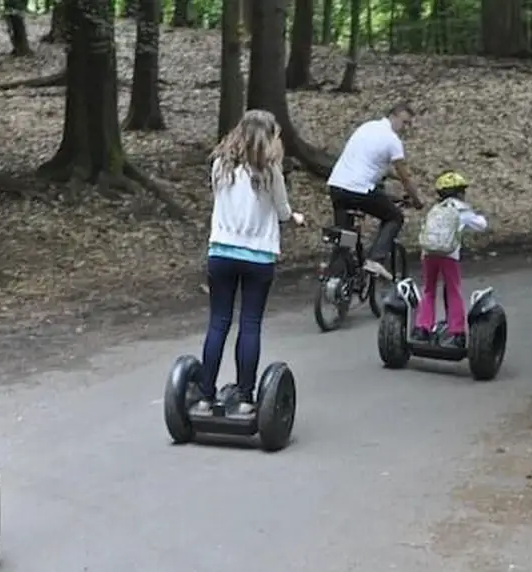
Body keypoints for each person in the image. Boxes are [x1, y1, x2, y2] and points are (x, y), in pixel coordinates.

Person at [197, 109, 304, 415]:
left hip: (221, 253)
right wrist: (294, 218)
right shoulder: (271, 174)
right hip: (258, 257)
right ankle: (245, 397)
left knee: (218, 323)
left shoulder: (220, 166)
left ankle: (206, 395)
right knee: (250, 324)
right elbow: (282, 212)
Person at [326, 102, 424, 280]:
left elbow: (371, 162)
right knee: (394, 217)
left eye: (409, 124)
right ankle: (375, 259)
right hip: (359, 190)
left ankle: (337, 273)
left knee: (346, 234)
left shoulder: (367, 127)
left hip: (337, 186)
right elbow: (405, 178)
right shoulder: (392, 140)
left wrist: (392, 177)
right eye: (404, 122)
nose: (405, 128)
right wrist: (416, 200)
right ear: (393, 116)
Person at [412, 170, 488, 349]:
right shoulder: (461, 210)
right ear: (460, 192)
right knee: (454, 290)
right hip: (449, 256)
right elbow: (482, 225)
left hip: (428, 254)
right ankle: (456, 332)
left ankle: (422, 328)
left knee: (429, 290)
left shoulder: (435, 209)